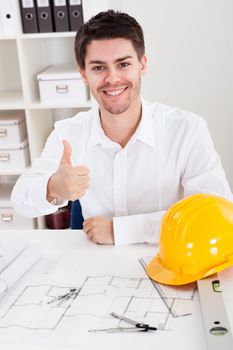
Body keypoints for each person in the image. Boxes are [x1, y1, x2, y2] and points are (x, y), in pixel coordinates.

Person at [11, 10, 233, 245]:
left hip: (170, 261)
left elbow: (216, 216)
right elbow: (20, 200)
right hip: (95, 269)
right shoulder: (68, 133)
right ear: (83, 74)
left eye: (123, 64)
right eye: (98, 68)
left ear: (142, 65)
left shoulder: (188, 130)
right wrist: (52, 187)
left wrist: (121, 231)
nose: (112, 78)